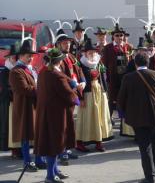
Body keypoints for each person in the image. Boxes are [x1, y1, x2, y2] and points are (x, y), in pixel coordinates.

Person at [118, 52, 155, 183]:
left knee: (144, 146)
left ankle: (150, 176)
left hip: (138, 117)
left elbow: (121, 98)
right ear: (148, 62)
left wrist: (122, 112)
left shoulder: (128, 77)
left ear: (135, 64)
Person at [35, 48, 79, 183]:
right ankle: (50, 175)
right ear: (59, 61)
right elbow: (68, 94)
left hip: (46, 112)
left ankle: (55, 171)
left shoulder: (43, 72)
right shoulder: (55, 75)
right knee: (54, 143)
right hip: (56, 114)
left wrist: (70, 83)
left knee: (52, 143)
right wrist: (75, 95)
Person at [9, 37, 46, 171]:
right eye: (27, 56)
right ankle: (27, 161)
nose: (30, 58)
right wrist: (41, 89)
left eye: (31, 56)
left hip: (36, 105)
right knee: (25, 135)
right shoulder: (16, 71)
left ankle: (39, 159)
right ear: (21, 56)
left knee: (37, 134)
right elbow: (23, 89)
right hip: (24, 107)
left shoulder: (32, 69)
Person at [75, 39, 113, 152]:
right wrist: (80, 98)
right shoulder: (80, 63)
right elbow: (78, 81)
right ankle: (80, 142)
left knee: (99, 117)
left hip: (99, 92)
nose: (92, 54)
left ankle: (98, 142)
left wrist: (105, 92)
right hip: (87, 94)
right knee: (86, 118)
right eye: (89, 52)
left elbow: (104, 77)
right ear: (85, 53)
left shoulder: (98, 62)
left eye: (93, 52)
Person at [55, 28, 85, 165]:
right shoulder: (57, 59)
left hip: (73, 93)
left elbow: (79, 70)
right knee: (62, 125)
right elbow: (59, 76)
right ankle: (60, 151)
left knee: (70, 124)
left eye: (68, 43)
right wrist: (73, 84)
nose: (67, 45)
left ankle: (66, 149)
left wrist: (83, 81)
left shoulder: (72, 57)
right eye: (64, 43)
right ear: (58, 45)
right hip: (63, 96)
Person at [102, 23, 131, 123]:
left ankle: (125, 120)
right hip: (113, 77)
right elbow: (104, 63)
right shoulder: (108, 48)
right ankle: (108, 119)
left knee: (125, 98)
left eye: (121, 35)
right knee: (111, 100)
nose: (119, 37)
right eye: (117, 35)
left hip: (125, 77)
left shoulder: (128, 47)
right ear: (113, 37)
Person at [0, 44, 17, 152]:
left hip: (12, 99)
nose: (15, 60)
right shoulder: (5, 71)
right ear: (10, 59)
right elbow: (7, 87)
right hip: (6, 100)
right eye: (13, 58)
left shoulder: (14, 70)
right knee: (5, 122)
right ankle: (4, 144)